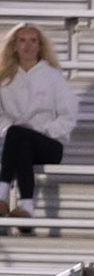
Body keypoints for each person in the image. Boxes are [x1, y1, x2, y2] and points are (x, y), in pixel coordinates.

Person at [0, 23, 78, 225]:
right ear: (14, 45)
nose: (28, 46)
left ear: (40, 45)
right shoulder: (5, 78)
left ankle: (1, 194)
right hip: (14, 143)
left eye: (33, 40)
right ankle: (27, 209)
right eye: (22, 40)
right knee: (20, 141)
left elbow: (68, 116)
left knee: (19, 135)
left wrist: (40, 130)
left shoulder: (53, 77)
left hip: (49, 143)